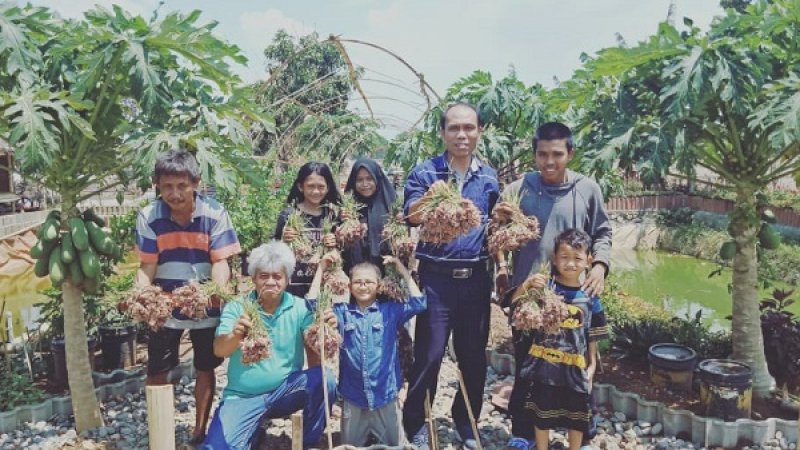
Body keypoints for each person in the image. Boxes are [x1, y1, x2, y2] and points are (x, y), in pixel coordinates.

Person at [492, 122, 612, 450]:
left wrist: (600, 266)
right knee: (528, 366)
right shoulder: (519, 189)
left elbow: (602, 232)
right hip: (528, 298)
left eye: (557, 154)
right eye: (542, 154)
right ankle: (523, 433)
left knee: (575, 366)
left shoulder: (588, 190)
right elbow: (497, 233)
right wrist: (502, 267)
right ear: (534, 155)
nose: (549, 161)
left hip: (574, 297)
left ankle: (581, 431)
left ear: (570, 154)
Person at [402, 102, 500, 450]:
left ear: (479, 132)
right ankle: (414, 421)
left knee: (473, 356)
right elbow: (411, 216)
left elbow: (496, 227)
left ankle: (466, 420)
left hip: (475, 279)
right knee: (429, 355)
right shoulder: (425, 173)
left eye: (469, 128)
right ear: (442, 132)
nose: (462, 135)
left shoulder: (489, 177)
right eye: (454, 128)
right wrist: (431, 201)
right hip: (436, 280)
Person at [134, 149, 241, 444]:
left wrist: (215, 293)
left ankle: (198, 431)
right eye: (167, 186)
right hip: (165, 305)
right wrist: (140, 295)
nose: (175, 193)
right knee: (158, 368)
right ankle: (160, 430)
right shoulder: (149, 215)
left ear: (195, 182)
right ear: (158, 185)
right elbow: (147, 266)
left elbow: (221, 262)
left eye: (182, 185)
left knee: (205, 366)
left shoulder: (215, 213)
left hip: (203, 301)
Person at [202, 241, 338, 449]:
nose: (271, 282)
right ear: (254, 278)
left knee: (325, 378)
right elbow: (219, 349)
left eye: (277, 276)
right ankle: (253, 429)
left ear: (287, 279)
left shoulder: (299, 307)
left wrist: (325, 328)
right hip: (243, 397)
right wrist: (237, 334)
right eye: (264, 276)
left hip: (285, 392)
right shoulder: (238, 307)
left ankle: (309, 442)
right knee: (216, 447)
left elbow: (316, 347)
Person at [307, 253, 425, 446]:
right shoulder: (342, 313)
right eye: (358, 282)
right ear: (349, 287)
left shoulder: (390, 311)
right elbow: (312, 304)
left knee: (396, 445)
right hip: (353, 397)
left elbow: (419, 302)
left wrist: (400, 268)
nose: (363, 286)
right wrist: (321, 267)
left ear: (379, 286)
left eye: (369, 282)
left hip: (385, 396)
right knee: (350, 446)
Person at [511, 229, 608, 450]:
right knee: (541, 412)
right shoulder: (546, 290)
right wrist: (526, 286)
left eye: (577, 258)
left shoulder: (590, 295)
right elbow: (514, 303)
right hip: (545, 366)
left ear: (588, 261)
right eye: (564, 257)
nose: (571, 264)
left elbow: (593, 333)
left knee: (577, 415)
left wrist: (592, 364)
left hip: (575, 367)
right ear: (554, 259)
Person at [274, 162, 341, 298]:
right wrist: (284, 240)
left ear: (328, 188)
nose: (316, 191)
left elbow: (341, 250)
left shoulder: (331, 215)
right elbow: (274, 249)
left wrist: (335, 242)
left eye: (321, 187)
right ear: (300, 186)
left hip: (323, 284)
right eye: (310, 186)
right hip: (293, 286)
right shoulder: (289, 215)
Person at [342, 157, 397, 273]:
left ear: (377, 178)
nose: (365, 184)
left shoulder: (391, 206)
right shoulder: (347, 208)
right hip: (355, 275)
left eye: (369, 178)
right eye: (359, 180)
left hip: (386, 272)